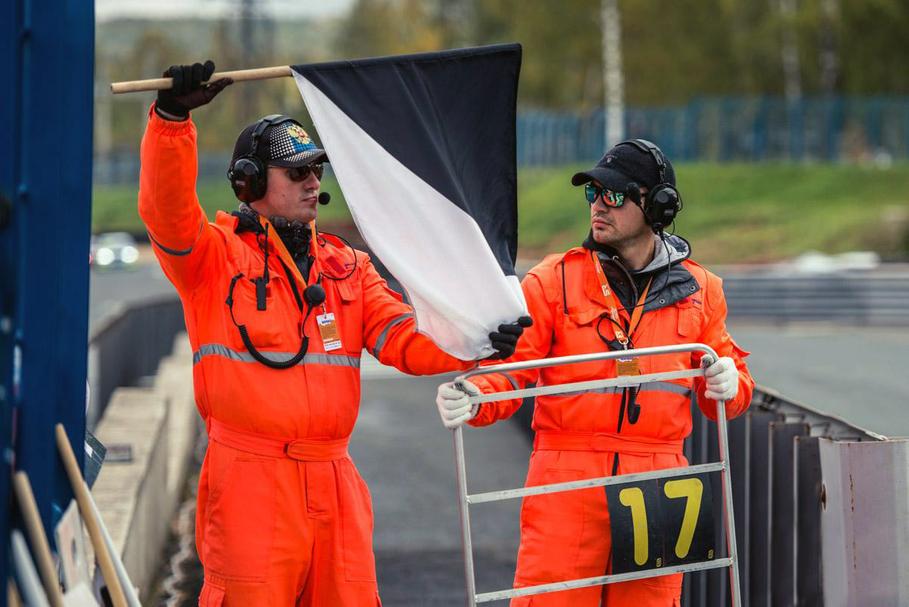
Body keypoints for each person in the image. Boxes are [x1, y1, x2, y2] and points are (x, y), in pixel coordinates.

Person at [139, 60, 530, 606]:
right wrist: (171, 122)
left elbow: (405, 339)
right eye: (296, 172)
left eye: (316, 170)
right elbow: (167, 215)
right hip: (249, 481)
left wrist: (476, 341)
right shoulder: (213, 259)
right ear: (250, 182)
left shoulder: (346, 267)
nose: (313, 182)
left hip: (334, 481)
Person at [436, 139, 754, 606]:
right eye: (593, 193)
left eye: (614, 195)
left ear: (658, 206)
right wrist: (474, 395)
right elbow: (513, 371)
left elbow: (731, 392)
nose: (599, 206)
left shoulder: (702, 290)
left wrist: (728, 382)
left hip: (660, 482)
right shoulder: (553, 280)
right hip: (566, 480)